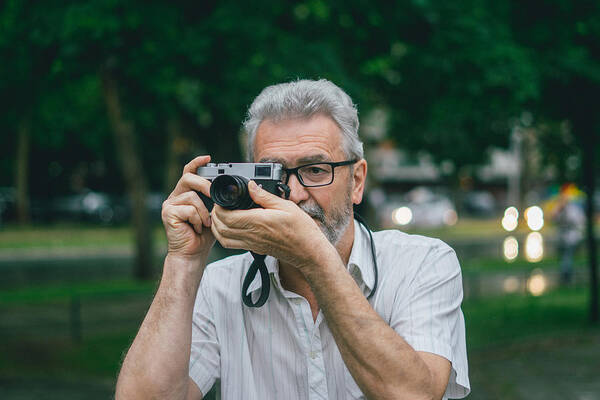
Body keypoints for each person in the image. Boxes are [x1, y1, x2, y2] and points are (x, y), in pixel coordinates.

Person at [115, 79, 470, 399]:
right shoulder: (220, 286)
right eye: (274, 174)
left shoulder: (422, 263)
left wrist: (314, 257)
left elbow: (414, 395)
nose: (295, 193)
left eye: (316, 170)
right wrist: (184, 262)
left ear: (357, 181)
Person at [551, 184, 585, 284]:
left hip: (572, 237)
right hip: (562, 237)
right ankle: (566, 274)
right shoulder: (558, 208)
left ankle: (567, 275)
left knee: (567, 257)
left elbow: (578, 221)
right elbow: (553, 218)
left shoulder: (573, 209)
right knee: (565, 257)